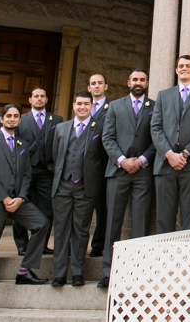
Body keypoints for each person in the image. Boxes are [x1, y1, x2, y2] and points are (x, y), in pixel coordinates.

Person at [0, 104, 50, 315]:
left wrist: (20, 198)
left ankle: (25, 271)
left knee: (41, 223)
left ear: (19, 120)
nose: (12, 119)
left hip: (16, 201)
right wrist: (4, 198)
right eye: (8, 116)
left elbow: (27, 175)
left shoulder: (22, 144)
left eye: (16, 116)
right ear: (1, 119)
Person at [99, 69, 155, 289]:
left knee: (140, 223)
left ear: (147, 83)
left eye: (142, 79)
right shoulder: (115, 106)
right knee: (113, 221)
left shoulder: (155, 106)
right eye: (135, 79)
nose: (138, 83)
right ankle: (108, 272)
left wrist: (141, 160)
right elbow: (107, 137)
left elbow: (157, 137)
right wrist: (122, 160)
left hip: (143, 172)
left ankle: (138, 271)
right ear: (128, 82)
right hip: (117, 172)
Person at [151, 55, 190, 233]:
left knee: (189, 216)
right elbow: (155, 127)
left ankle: (189, 258)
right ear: (176, 70)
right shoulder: (164, 96)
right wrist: (169, 154)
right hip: (165, 165)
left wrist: (186, 153)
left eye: (188, 66)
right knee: (164, 216)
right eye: (180, 66)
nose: (184, 68)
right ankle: (166, 257)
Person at [50, 92, 107, 286]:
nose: (82, 107)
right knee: (60, 230)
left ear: (92, 106)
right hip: (63, 185)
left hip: (86, 187)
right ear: (73, 105)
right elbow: (55, 156)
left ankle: (77, 272)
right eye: (79, 104)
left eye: (86, 104)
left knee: (81, 230)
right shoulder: (60, 128)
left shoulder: (100, 127)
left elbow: (102, 158)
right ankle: (59, 273)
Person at [12, 87, 61, 257]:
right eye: (36, 96)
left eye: (42, 96)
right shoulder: (21, 119)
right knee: (20, 206)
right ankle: (22, 244)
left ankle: (41, 244)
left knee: (47, 208)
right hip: (25, 170)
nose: (39, 99)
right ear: (30, 100)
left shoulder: (56, 120)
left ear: (47, 100)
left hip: (47, 170)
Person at [86, 73, 110, 257]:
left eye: (99, 83)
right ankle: (78, 243)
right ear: (89, 88)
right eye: (93, 84)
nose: (96, 86)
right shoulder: (83, 107)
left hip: (103, 165)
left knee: (102, 208)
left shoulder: (112, 109)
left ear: (105, 87)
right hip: (83, 168)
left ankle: (98, 244)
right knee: (81, 208)